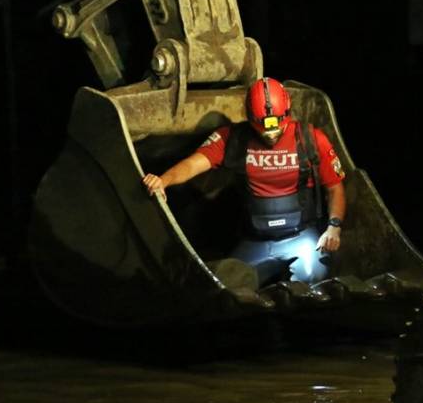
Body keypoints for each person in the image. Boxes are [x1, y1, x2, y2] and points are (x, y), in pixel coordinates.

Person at [142, 78, 346, 286]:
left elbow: (334, 187)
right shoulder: (233, 139)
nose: (271, 134)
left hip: (301, 237)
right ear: (250, 118)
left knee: (312, 280)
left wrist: (333, 227)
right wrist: (164, 180)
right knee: (225, 287)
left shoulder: (310, 138)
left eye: (276, 125)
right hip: (256, 241)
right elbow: (193, 164)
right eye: (263, 128)